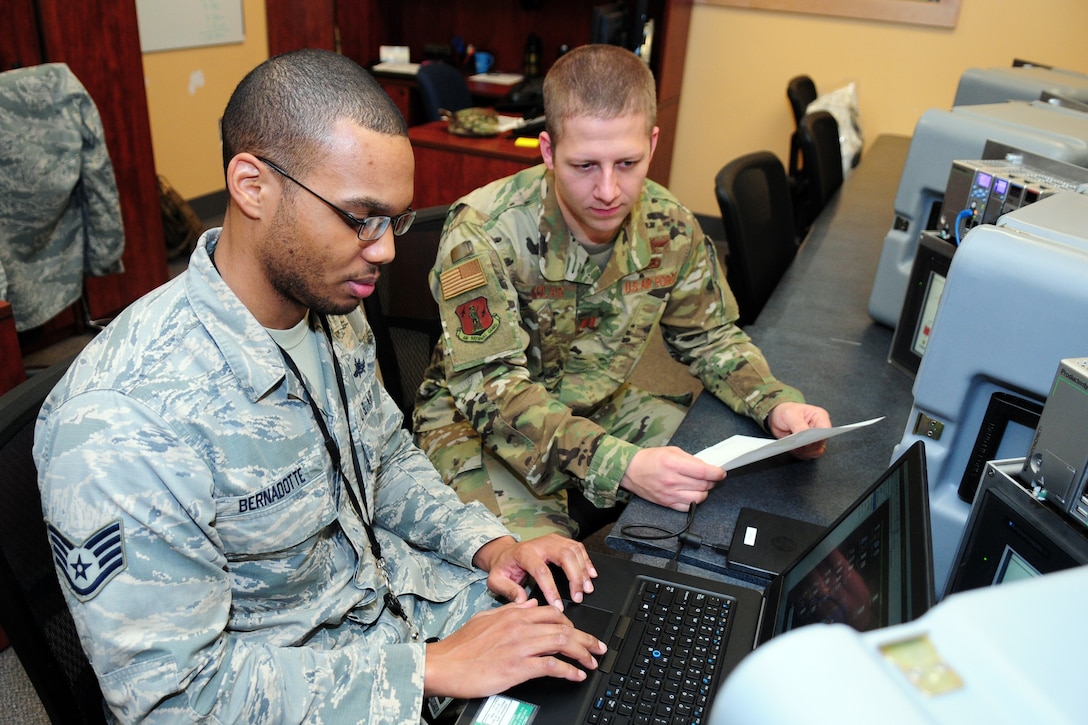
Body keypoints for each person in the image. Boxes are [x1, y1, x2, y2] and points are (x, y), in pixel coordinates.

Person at [34, 49, 606, 724]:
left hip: (394, 603)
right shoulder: (121, 423)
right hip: (296, 685)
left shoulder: (329, 305)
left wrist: (491, 545)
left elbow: (385, 461)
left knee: (598, 653)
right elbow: (174, 702)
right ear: (251, 185)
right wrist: (426, 668)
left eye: (394, 219)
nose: (386, 249)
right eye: (359, 216)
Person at [414, 44, 832, 541]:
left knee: (737, 477)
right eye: (585, 165)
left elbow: (709, 336)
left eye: (628, 163)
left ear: (653, 145)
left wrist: (774, 403)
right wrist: (622, 465)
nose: (609, 190)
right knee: (538, 578)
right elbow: (490, 389)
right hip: (480, 427)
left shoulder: (668, 223)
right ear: (548, 151)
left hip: (598, 406)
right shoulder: (484, 231)